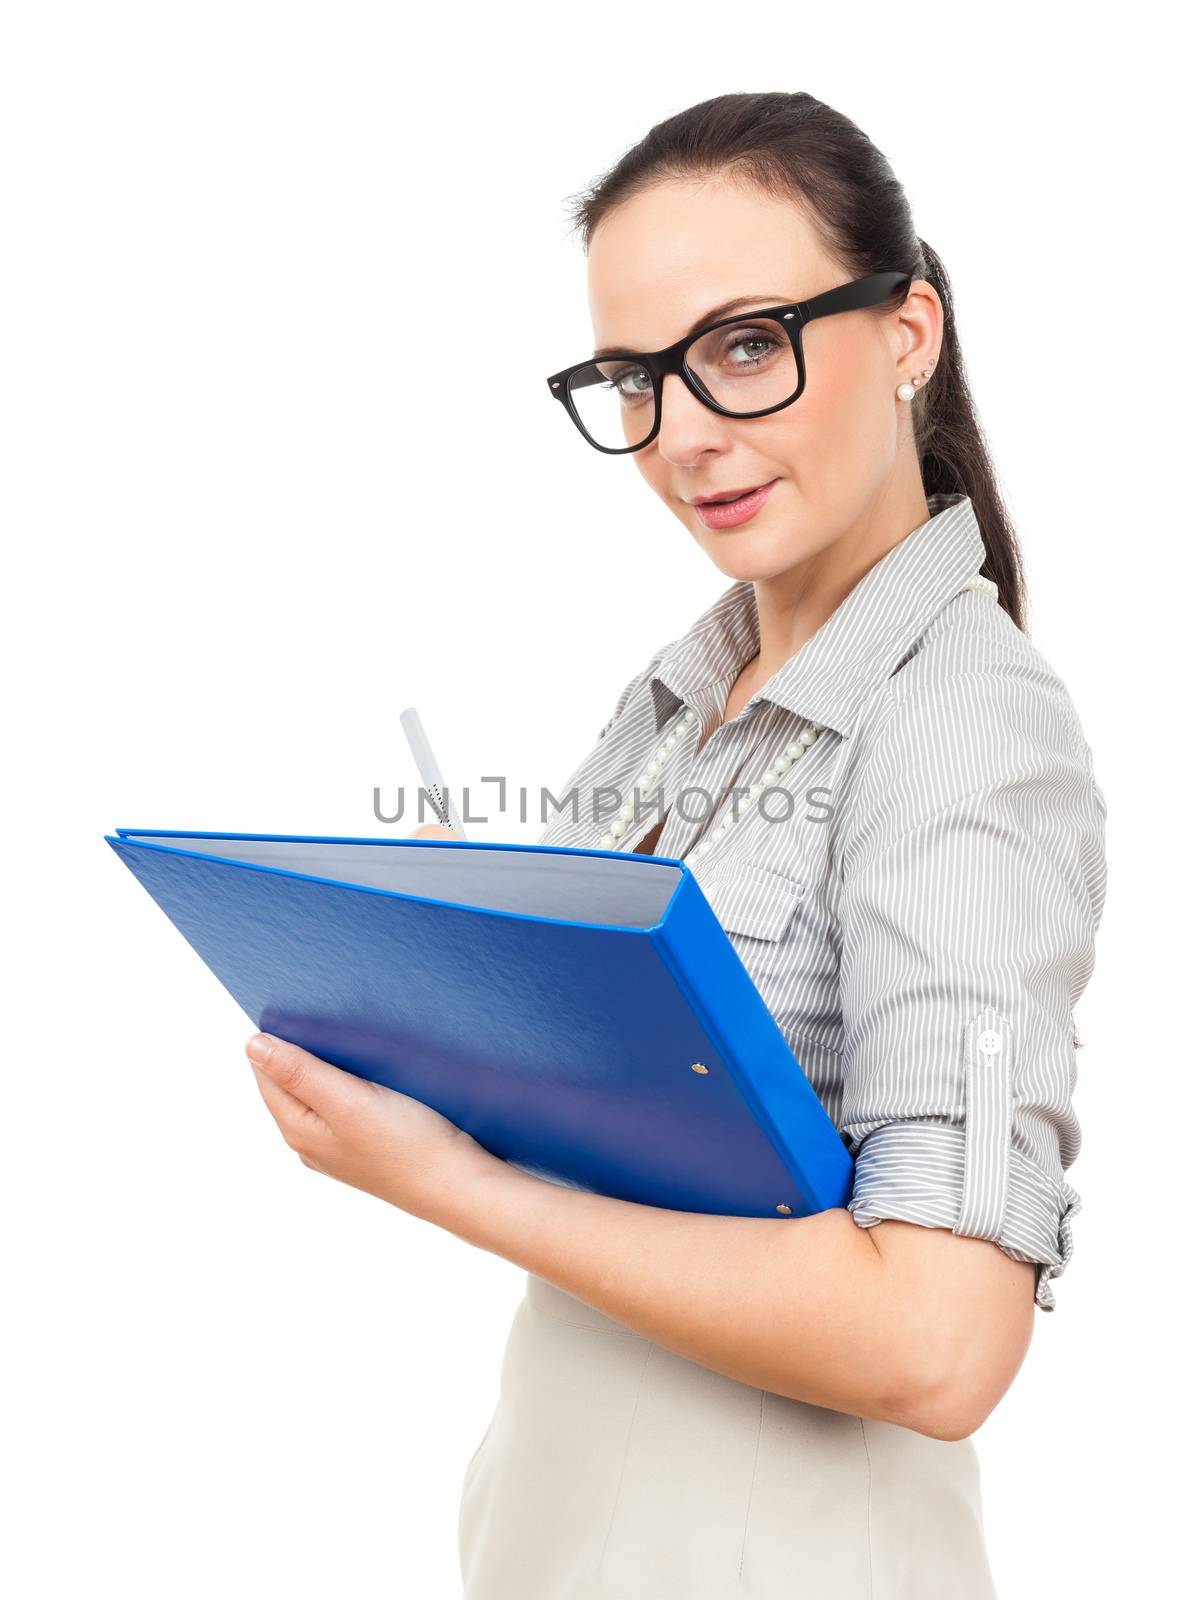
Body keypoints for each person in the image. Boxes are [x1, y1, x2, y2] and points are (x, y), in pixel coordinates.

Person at [244, 91, 1107, 1598]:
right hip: (560, 1538)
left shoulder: (965, 726)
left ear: (910, 333)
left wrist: (439, 1176)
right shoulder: (682, 692)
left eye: (745, 347)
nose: (685, 436)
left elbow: (939, 1341)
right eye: (636, 376)